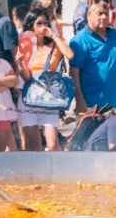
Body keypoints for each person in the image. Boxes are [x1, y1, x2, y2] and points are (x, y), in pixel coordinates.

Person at [14, 10, 73, 151]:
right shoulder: (25, 45)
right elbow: (26, 77)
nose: (43, 26)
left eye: (46, 23)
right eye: (39, 23)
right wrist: (20, 64)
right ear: (31, 25)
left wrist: (54, 36)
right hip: (30, 97)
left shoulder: (55, 43)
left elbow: (70, 55)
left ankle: (56, 165)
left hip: (50, 97)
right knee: (34, 145)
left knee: (52, 144)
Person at [69, 0, 116, 114]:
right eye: (100, 13)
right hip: (90, 105)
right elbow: (74, 72)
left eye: (106, 13)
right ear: (89, 15)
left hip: (114, 103)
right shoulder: (79, 40)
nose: (104, 17)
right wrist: (79, 100)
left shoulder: (113, 34)